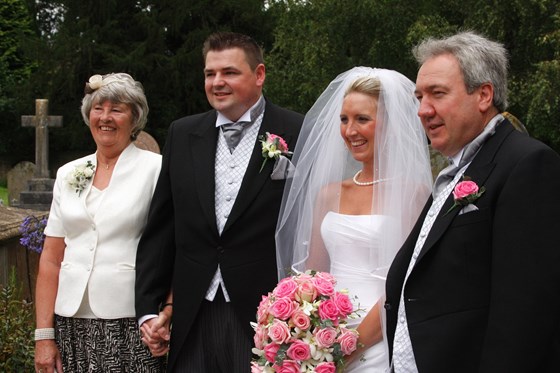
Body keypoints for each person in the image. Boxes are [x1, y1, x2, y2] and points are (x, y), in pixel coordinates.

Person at [385, 31, 560, 373]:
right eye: (419, 97)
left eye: (437, 94)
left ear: (483, 95)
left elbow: (526, 314)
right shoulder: (457, 169)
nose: (423, 110)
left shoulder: (528, 164)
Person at [134, 31, 303, 372]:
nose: (217, 82)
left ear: (259, 75)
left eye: (229, 72)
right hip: (192, 311)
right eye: (210, 74)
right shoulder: (182, 133)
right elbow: (162, 227)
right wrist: (151, 309)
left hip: (266, 316)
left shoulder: (297, 130)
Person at [276, 67, 433, 372]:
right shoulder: (328, 194)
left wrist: (347, 348)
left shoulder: (413, 194)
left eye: (363, 119)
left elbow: (403, 285)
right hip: (326, 338)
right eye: (344, 119)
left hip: (380, 338)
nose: (350, 131)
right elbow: (312, 280)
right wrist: (308, 343)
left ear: (391, 124)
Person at [34, 73, 165, 372]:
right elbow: (51, 259)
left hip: (131, 320)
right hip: (70, 321)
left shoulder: (156, 170)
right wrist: (43, 336)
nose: (105, 117)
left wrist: (167, 311)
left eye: (117, 109)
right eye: (98, 108)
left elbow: (175, 247)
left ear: (135, 117)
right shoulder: (68, 173)